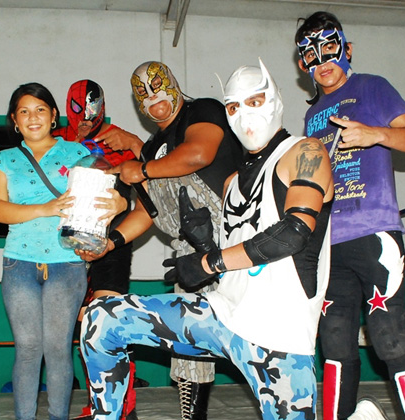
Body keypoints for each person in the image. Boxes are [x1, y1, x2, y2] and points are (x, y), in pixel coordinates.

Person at [80, 59, 333, 420]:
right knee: (101, 319)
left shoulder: (306, 152)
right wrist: (115, 241)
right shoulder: (232, 183)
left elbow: (293, 233)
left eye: (255, 101)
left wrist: (208, 261)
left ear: (275, 99)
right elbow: (152, 212)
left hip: (278, 336)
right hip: (222, 315)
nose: (245, 115)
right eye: (234, 107)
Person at [79, 60, 243, 420]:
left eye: (157, 87)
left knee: (260, 335)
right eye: (143, 94)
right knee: (188, 342)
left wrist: (141, 169)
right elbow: (147, 211)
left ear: (173, 85)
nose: (153, 98)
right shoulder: (152, 147)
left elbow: (198, 154)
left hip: (234, 241)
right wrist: (111, 243)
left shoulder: (202, 111)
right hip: (188, 254)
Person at [295, 11, 405, 420]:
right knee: (334, 343)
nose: (322, 60)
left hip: (374, 232)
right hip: (328, 244)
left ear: (347, 48)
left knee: (390, 338)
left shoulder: (372, 87)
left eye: (329, 47)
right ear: (303, 64)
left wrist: (376, 134)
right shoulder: (312, 115)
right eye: (311, 54)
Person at [0, 82, 126, 420]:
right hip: (19, 262)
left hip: (67, 262)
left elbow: (110, 194)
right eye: (24, 111)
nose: (32, 117)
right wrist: (45, 208)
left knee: (58, 349)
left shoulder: (76, 153)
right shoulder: (4, 159)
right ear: (14, 120)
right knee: (27, 348)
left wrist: (119, 203)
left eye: (40, 110)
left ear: (53, 116)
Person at [54, 80, 140, 420]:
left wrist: (134, 144)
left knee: (107, 324)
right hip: (67, 245)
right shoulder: (56, 140)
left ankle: (125, 410)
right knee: (82, 332)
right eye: (80, 113)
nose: (86, 121)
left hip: (113, 241)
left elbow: (156, 177)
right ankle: (99, 405)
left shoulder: (118, 139)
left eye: (93, 113)